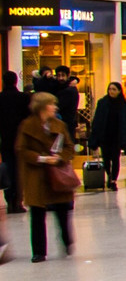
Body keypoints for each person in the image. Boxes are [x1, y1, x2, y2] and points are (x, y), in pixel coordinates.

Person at [15, 92, 75, 262]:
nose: (55, 107)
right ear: (42, 107)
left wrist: (59, 158)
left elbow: (69, 147)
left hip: (57, 173)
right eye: (51, 104)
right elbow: (21, 149)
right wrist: (41, 158)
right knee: (37, 213)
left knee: (63, 211)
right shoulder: (27, 126)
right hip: (37, 174)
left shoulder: (60, 125)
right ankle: (39, 252)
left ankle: (67, 240)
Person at [88, 82, 126, 191]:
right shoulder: (102, 103)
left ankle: (113, 180)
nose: (111, 91)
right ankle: (108, 174)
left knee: (115, 158)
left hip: (117, 136)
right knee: (106, 159)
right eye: (110, 89)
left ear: (119, 91)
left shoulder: (123, 104)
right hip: (105, 135)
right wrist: (95, 136)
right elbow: (97, 119)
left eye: (114, 89)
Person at [0, 71, 30, 213]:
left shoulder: (1, 98)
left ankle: (9, 200)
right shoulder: (23, 98)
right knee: (19, 171)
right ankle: (18, 200)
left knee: (8, 169)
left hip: (5, 140)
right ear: (16, 81)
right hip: (21, 140)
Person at [51, 66, 79, 140]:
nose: (60, 78)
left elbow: (59, 106)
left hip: (65, 125)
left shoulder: (68, 91)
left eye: (63, 75)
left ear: (68, 76)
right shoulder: (63, 88)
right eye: (58, 75)